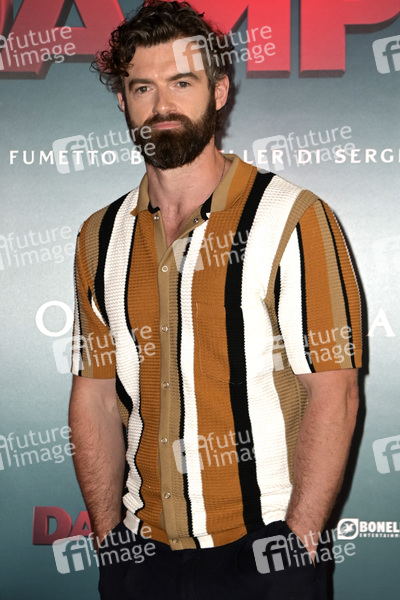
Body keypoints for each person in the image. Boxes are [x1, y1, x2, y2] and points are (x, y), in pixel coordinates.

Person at [69, 1, 362, 598]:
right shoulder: (99, 236)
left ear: (219, 91)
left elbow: (334, 390)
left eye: (182, 82)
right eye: (143, 87)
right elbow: (94, 395)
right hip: (140, 556)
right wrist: (109, 540)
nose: (162, 105)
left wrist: (298, 545)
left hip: (265, 549)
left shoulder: (293, 217)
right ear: (122, 101)